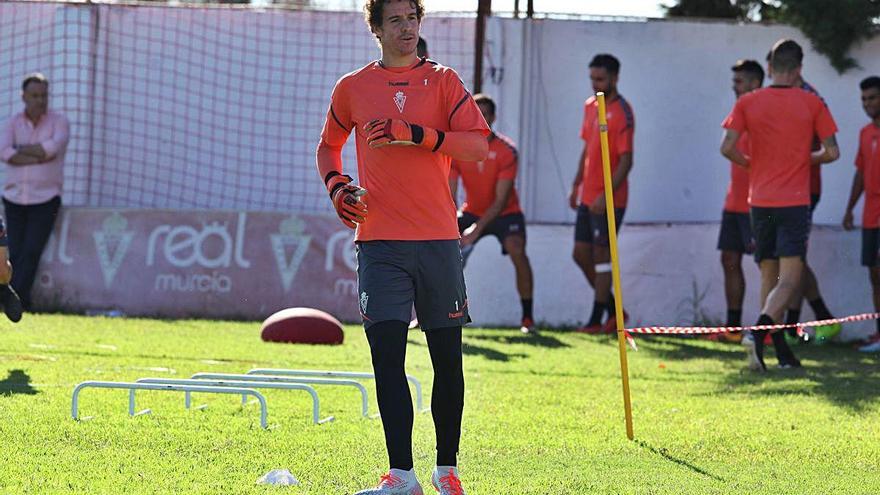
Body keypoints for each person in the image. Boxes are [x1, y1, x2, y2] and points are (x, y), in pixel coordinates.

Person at [315, 1, 489, 493]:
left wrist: (414, 134)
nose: (407, 28)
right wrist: (338, 187)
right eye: (395, 20)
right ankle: (402, 475)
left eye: (412, 18)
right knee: (386, 357)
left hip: (437, 240)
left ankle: (447, 471)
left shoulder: (444, 81)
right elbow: (328, 146)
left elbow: (477, 145)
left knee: (446, 360)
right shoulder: (352, 87)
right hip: (379, 243)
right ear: (376, 29)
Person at [721, 39, 839, 371]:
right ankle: (758, 335)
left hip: (758, 202)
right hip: (794, 202)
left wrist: (750, 164)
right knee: (789, 279)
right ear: (800, 69)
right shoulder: (812, 103)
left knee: (767, 275)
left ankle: (776, 354)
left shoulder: (749, 102)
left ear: (769, 68)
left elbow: (726, 147)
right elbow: (832, 152)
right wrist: (806, 158)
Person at [764, 51, 840, 342]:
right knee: (786, 257)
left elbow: (827, 146)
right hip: (777, 189)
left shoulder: (810, 98)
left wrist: (793, 158)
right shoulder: (770, 98)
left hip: (803, 188)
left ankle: (800, 324)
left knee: (791, 258)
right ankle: (811, 320)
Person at [449, 93, 535, 334]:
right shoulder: (459, 147)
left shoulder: (507, 150)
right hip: (471, 211)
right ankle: (431, 314)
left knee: (517, 249)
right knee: (441, 252)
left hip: (505, 213)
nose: (480, 119)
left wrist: (475, 230)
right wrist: (449, 221)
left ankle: (528, 318)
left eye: (485, 114)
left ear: (493, 117)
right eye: (476, 114)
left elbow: (500, 201)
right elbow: (450, 193)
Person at [569, 53, 634, 334]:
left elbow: (626, 161)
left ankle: (597, 319)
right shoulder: (590, 106)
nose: (595, 84)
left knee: (602, 255)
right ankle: (614, 311)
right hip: (587, 196)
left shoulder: (623, 112)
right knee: (580, 254)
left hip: (609, 200)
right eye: (592, 78)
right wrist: (576, 184)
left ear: (615, 78)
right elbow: (588, 148)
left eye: (601, 79)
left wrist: (605, 196)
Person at [0, 72, 68, 313]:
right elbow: (6, 153)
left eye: (44, 96)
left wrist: (21, 152)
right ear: (24, 96)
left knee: (31, 250)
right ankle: (14, 302)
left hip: (46, 198)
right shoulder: (11, 123)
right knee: (13, 251)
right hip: (13, 197)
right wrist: (36, 153)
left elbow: (51, 150)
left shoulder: (59, 122)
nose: (40, 100)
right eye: (35, 95)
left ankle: (15, 303)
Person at [715, 60, 763, 341]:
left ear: (755, 83)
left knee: (768, 265)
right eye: (734, 82)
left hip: (759, 203)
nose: (735, 87)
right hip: (734, 202)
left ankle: (771, 328)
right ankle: (733, 329)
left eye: (740, 82)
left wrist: (752, 167)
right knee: (729, 260)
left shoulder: (765, 113)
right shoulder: (738, 112)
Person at [843, 76, 880, 353]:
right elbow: (860, 172)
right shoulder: (865, 133)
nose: (867, 104)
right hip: (870, 216)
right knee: (875, 276)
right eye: (864, 99)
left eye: (872, 98)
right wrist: (849, 208)